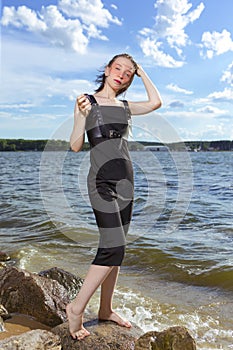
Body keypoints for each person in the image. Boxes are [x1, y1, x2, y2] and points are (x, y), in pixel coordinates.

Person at [66, 53, 162, 340]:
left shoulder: (124, 106)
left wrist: (142, 70)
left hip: (126, 184)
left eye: (129, 72)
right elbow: (74, 146)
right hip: (101, 183)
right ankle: (76, 308)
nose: (122, 74)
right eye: (117, 67)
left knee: (117, 253)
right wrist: (80, 117)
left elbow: (156, 102)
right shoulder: (87, 101)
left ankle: (106, 309)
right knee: (113, 248)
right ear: (107, 70)